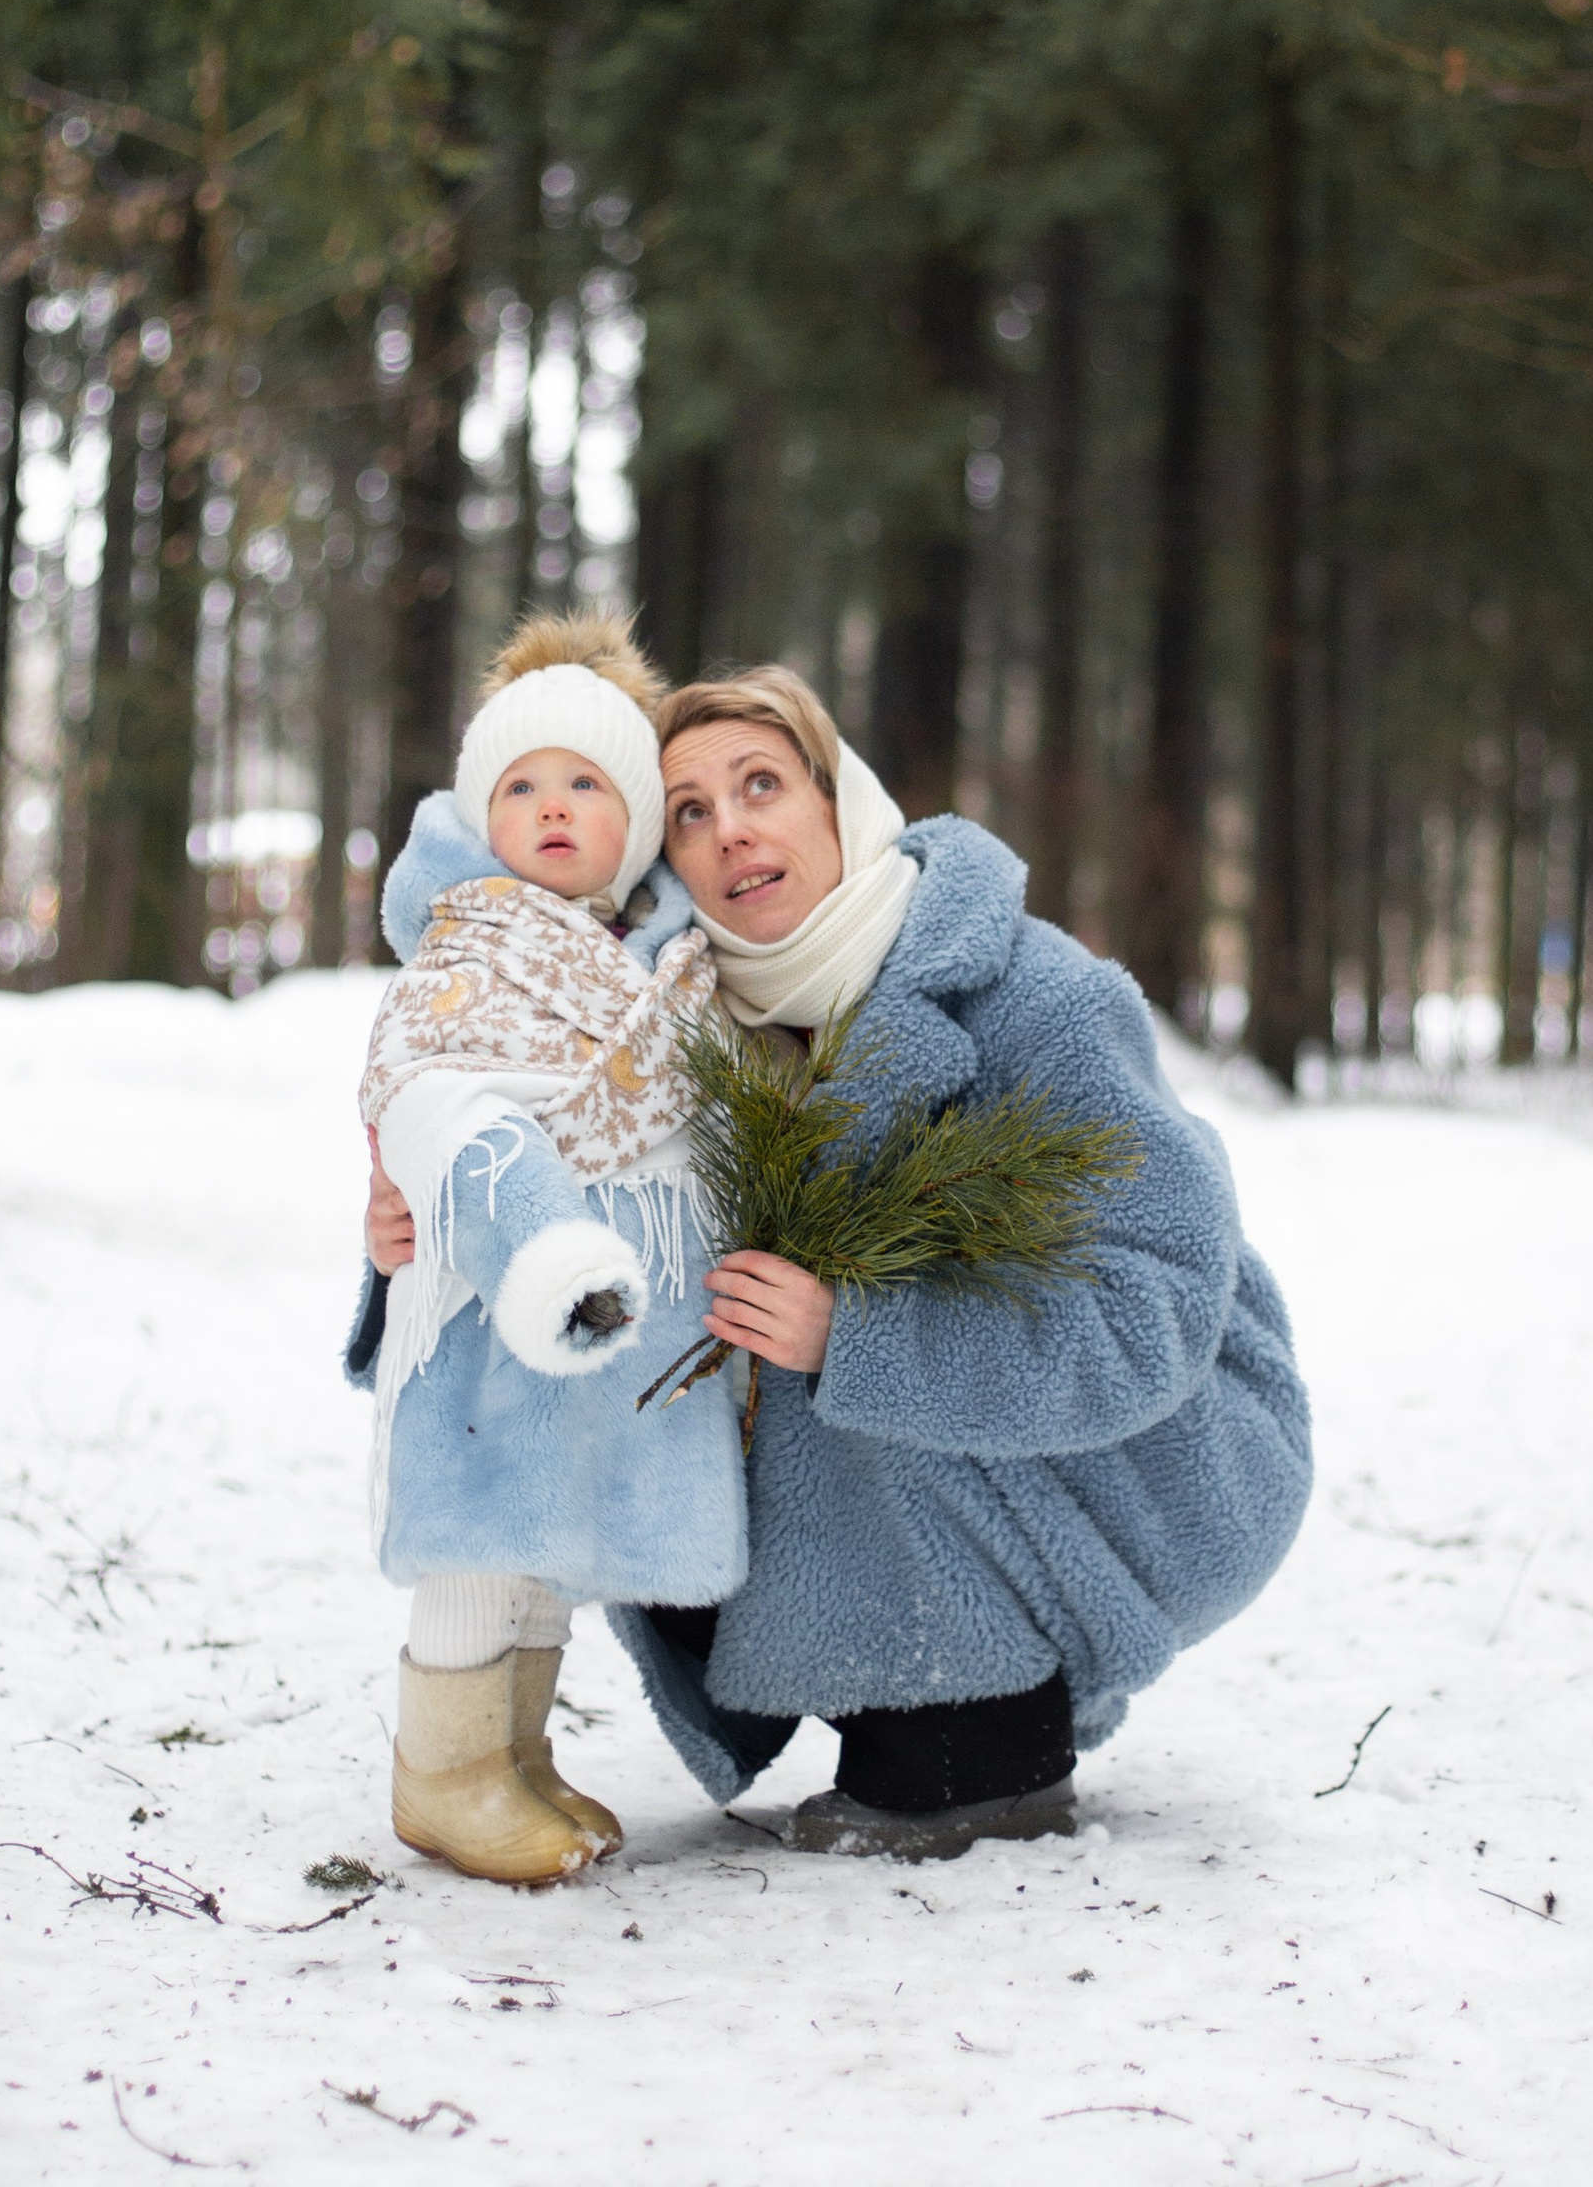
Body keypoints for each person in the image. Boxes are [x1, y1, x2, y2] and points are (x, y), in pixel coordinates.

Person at [364, 659, 1312, 1865]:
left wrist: (859, 1336)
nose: (733, 831)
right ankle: (898, 1696)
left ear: (837, 797)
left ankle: (983, 1738)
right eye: (691, 811)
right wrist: (414, 1223)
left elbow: (1158, 1308)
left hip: (1159, 1453)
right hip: (901, 1462)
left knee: (838, 1398)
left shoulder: (1035, 994)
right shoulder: (676, 1019)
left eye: (762, 784)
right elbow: (561, 1188)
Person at [348, 612, 746, 1885]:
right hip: (491, 1314)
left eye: (587, 784)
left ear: (634, 818)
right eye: (521, 785)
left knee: (552, 1540)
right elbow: (432, 1102)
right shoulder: (472, 950)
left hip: (612, 1327)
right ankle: (445, 1773)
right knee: (484, 1534)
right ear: (482, 811)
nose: (555, 806)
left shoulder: (667, 966)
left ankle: (511, 1755)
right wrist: (503, 1227)